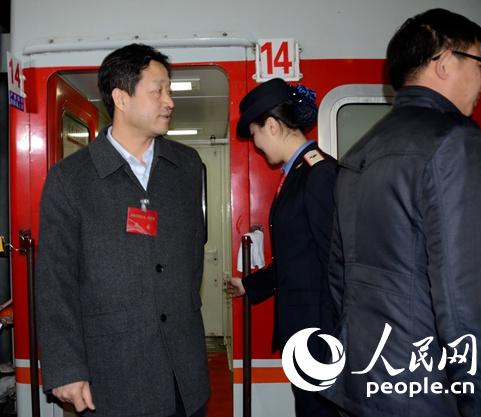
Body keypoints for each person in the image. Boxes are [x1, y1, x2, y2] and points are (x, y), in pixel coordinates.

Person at [323, 8, 481, 417]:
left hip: (364, 383)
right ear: (445, 61)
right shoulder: (454, 142)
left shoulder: (359, 151)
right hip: (427, 395)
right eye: (480, 63)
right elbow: (467, 302)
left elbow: (339, 280)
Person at [36, 43, 209, 417]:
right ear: (121, 98)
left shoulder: (187, 167)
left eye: (170, 90)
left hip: (185, 370)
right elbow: (55, 282)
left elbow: (192, 258)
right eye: (157, 90)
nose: (169, 102)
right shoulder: (70, 179)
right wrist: (66, 369)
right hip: (113, 372)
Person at [228, 78, 339, 417]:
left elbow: (336, 261)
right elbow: (297, 257)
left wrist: (333, 343)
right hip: (305, 332)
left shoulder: (319, 173)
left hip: (320, 335)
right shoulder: (297, 174)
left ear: (272, 126)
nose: (257, 145)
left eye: (256, 134)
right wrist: (250, 285)